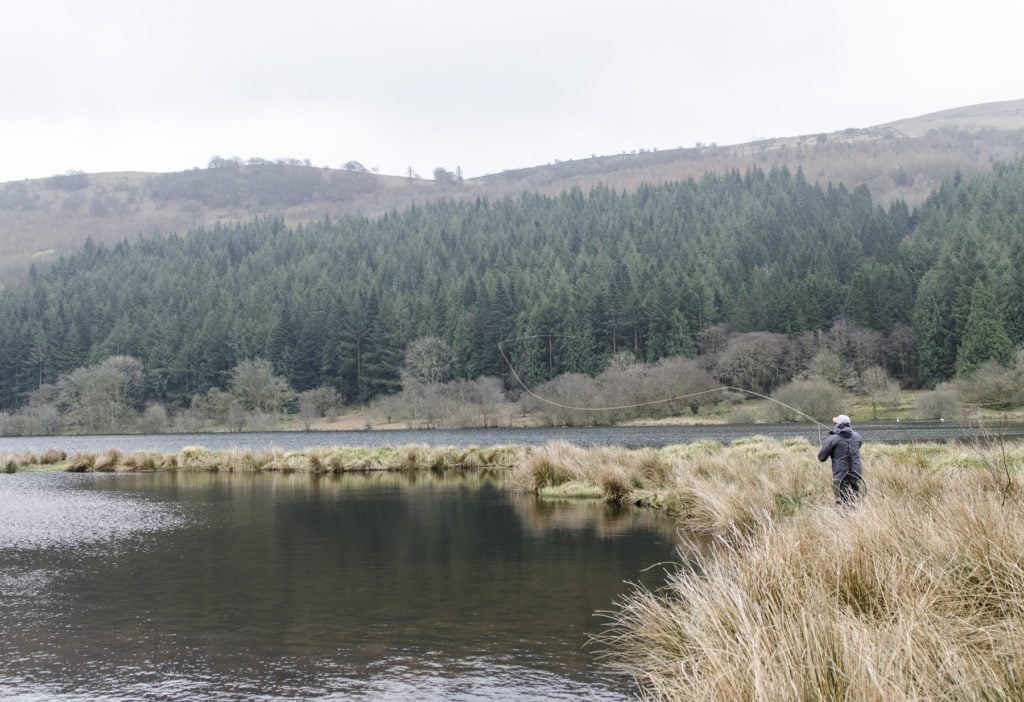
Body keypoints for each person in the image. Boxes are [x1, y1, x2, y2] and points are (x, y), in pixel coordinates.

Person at [817, 414, 863, 504]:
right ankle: (855, 516)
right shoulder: (857, 436)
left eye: (836, 423)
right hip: (856, 474)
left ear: (838, 425)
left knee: (842, 501)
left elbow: (821, 457)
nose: (835, 425)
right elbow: (858, 446)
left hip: (841, 475)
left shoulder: (833, 438)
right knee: (854, 500)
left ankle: (843, 517)